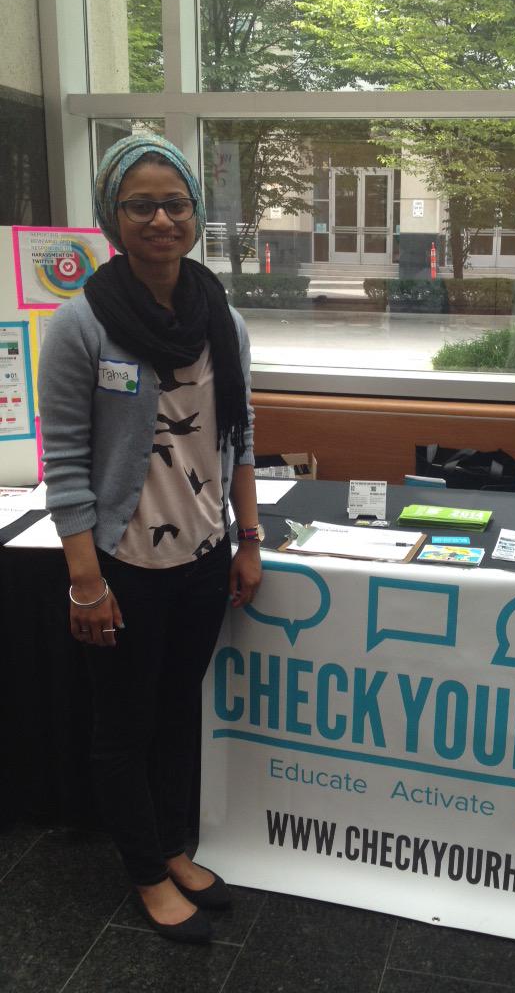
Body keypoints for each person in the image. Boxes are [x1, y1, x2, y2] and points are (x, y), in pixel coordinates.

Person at [38, 134, 263, 944]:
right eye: (141, 205)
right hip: (125, 568)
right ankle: (144, 871)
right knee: (123, 728)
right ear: (112, 218)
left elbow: (238, 434)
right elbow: (61, 459)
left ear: (197, 213)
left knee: (174, 716)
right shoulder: (81, 326)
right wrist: (86, 583)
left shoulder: (220, 316)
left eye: (176, 203)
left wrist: (249, 539)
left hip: (203, 560)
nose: (161, 218)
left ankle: (172, 847)